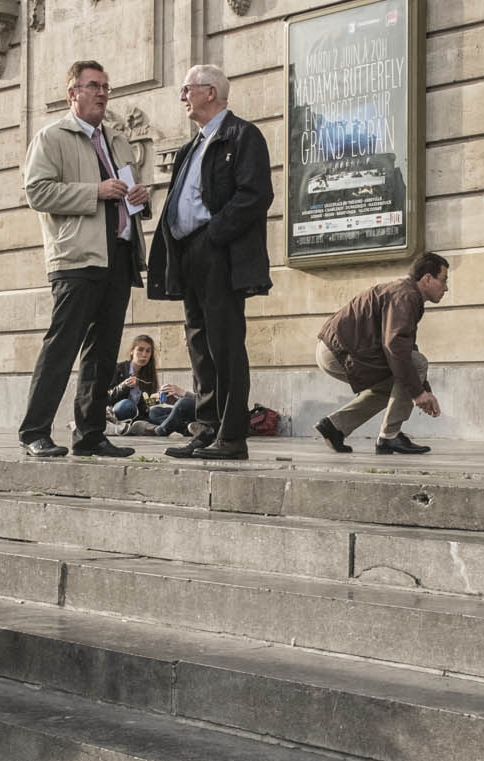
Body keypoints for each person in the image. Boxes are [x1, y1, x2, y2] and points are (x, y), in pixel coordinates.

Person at [16, 60, 151, 459]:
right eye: (93, 86)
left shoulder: (117, 139)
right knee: (61, 348)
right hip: (76, 258)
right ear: (72, 92)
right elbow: (37, 192)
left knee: (103, 353)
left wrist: (140, 197)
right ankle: (34, 431)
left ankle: (90, 433)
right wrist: (94, 190)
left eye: (106, 86)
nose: (102, 93)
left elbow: (124, 188)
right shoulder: (51, 137)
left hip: (119, 254)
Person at [148, 63, 274, 462]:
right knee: (199, 345)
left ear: (211, 92)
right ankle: (205, 430)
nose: (182, 96)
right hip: (188, 252)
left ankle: (232, 436)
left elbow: (256, 194)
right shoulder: (191, 146)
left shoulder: (242, 135)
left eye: (187, 89)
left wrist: (215, 234)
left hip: (218, 250)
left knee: (225, 345)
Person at [314, 253, 449, 455]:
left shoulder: (405, 293)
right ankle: (390, 437)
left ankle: (335, 427)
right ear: (427, 279)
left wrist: (424, 390)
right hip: (341, 352)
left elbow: (406, 346)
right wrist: (417, 391)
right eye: (444, 280)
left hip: (334, 350)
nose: (446, 288)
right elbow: (395, 346)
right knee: (414, 367)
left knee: (398, 383)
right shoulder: (405, 296)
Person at [107, 335, 195, 436]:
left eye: (148, 351)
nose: (144, 355)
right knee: (127, 405)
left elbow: (144, 404)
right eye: (140, 350)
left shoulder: (148, 375)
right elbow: (106, 397)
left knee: (156, 412)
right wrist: (123, 386)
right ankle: (158, 427)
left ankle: (186, 428)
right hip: (119, 411)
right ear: (132, 351)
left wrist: (159, 399)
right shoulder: (118, 369)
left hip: (138, 415)